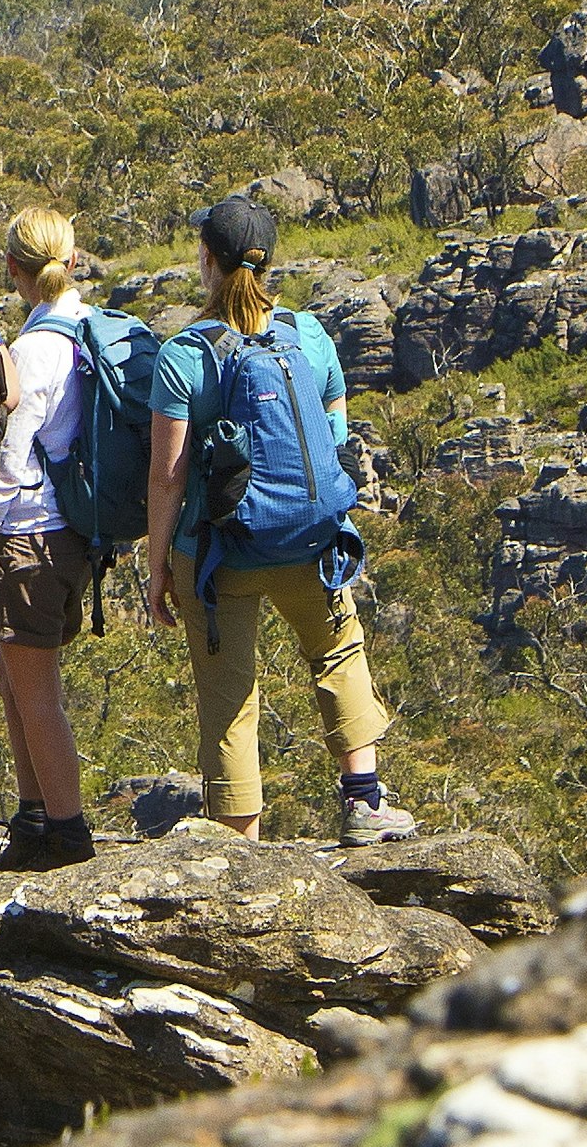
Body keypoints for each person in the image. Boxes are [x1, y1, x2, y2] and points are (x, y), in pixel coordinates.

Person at [140, 196, 418, 843]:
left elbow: (168, 474)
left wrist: (158, 569)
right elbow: (336, 411)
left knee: (229, 695)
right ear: (269, 263)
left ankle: (240, 843)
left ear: (205, 260)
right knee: (339, 652)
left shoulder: (185, 354)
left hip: (218, 554)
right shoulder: (307, 332)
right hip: (311, 540)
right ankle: (364, 803)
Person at [0, 206, 99, 872]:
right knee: (12, 673)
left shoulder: (32, 349)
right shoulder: (92, 330)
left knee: (36, 688)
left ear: (15, 270)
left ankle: (65, 832)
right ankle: (33, 819)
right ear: (71, 261)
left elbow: (11, 462)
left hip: (29, 538)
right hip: (76, 535)